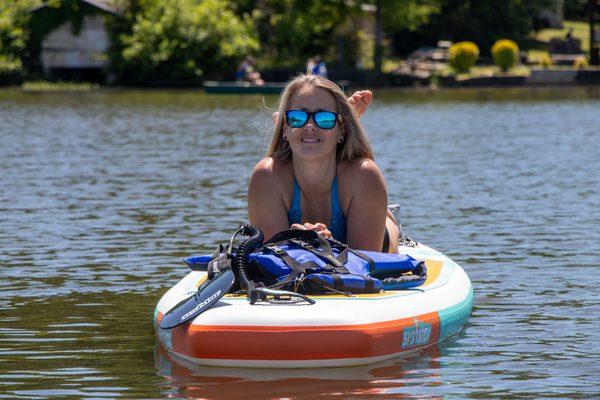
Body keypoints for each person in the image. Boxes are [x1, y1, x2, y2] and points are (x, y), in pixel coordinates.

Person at [247, 74, 399, 253]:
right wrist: (297, 245)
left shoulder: (364, 175)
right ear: (284, 130)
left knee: (387, 227)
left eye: (323, 119)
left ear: (341, 133)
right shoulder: (267, 176)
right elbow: (271, 262)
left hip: (380, 240)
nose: (310, 125)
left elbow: (365, 265)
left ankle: (387, 215)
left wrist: (330, 245)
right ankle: (334, 119)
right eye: (297, 118)